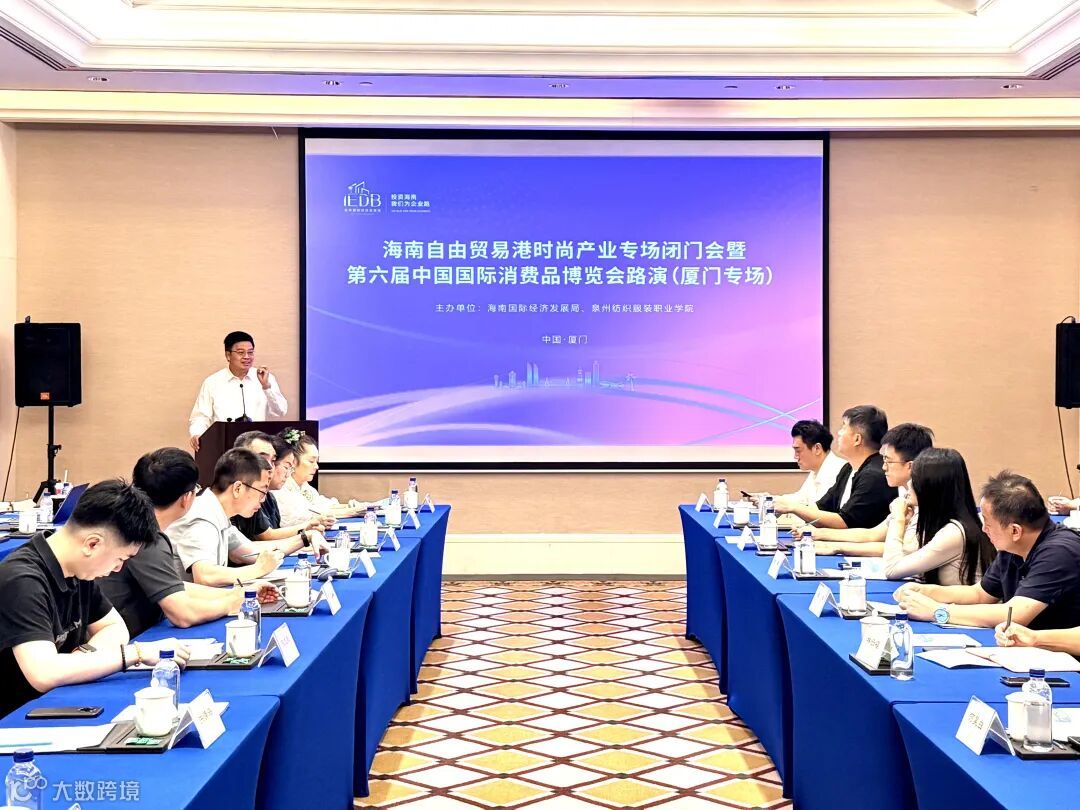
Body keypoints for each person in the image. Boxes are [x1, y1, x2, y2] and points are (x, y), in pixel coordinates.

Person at [0, 480, 188, 719]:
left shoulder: (77, 570)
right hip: (15, 720)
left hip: (57, 702)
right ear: (92, 544)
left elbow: (115, 628)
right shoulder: (22, 579)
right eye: (120, 558)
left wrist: (81, 657)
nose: (118, 569)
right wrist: (136, 653)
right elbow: (43, 673)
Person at [100, 448, 276, 637]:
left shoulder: (138, 525)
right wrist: (232, 603)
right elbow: (183, 614)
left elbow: (175, 586)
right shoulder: (145, 537)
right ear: (186, 498)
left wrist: (242, 593)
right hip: (133, 639)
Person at [895, 471, 1080, 629]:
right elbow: (980, 594)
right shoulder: (1014, 546)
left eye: (988, 524)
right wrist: (926, 591)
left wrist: (938, 611)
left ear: (1015, 531)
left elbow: (1015, 615)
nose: (984, 530)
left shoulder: (1060, 552)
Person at [168, 449, 296, 586]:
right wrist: (258, 569)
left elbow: (251, 551)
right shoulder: (202, 516)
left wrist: (304, 538)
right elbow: (205, 576)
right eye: (262, 492)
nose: (263, 500)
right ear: (237, 488)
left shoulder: (217, 511)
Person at [807, 423, 934, 556]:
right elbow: (872, 534)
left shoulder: (927, 503)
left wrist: (837, 547)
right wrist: (820, 534)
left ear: (910, 466)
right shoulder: (904, 496)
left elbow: (904, 550)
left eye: (888, 461)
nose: (884, 467)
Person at [880, 448, 995, 584]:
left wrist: (898, 519)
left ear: (932, 487)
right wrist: (905, 524)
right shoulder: (933, 518)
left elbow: (892, 569)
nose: (909, 483)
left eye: (915, 479)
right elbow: (907, 553)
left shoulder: (954, 532)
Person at [775, 405, 896, 530]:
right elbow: (822, 507)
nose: (839, 433)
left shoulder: (873, 475)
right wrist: (784, 505)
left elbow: (844, 522)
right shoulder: (848, 468)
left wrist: (793, 507)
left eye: (844, 427)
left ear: (857, 439)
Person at [188, 331, 287, 453]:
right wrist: (197, 434)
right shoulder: (213, 382)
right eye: (241, 352)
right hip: (224, 447)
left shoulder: (265, 378)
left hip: (258, 447)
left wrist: (266, 387)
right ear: (228, 355)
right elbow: (201, 416)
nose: (247, 357)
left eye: (250, 352)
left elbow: (280, 411)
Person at [232, 434, 331, 548]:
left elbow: (243, 550)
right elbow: (264, 537)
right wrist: (305, 534)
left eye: (272, 461)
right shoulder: (242, 497)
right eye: (262, 460)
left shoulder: (269, 497)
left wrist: (306, 535)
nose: (270, 468)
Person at [274, 429, 370, 528]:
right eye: (311, 461)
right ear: (292, 461)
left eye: (316, 461)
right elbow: (307, 516)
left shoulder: (304, 486)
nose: (316, 466)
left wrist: (349, 506)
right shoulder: (280, 488)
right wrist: (350, 512)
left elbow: (322, 505)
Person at [770, 420, 846, 511]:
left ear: (817, 449)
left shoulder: (838, 471)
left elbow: (819, 511)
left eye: (798, 451)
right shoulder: (816, 470)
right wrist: (768, 499)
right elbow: (800, 498)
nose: (795, 457)